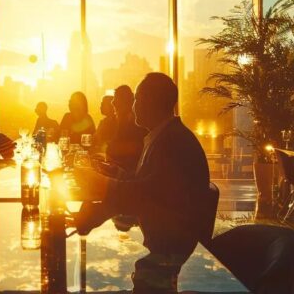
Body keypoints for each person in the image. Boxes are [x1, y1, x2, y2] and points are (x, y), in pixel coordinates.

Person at [74, 73, 213, 292]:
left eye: (137, 99)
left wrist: (101, 185)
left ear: (151, 101)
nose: (133, 106)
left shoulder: (173, 142)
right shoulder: (163, 135)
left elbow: (147, 194)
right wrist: (116, 174)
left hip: (171, 253)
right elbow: (151, 187)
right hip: (165, 245)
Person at [104, 85, 148, 176]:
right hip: (120, 169)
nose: (112, 102)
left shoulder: (133, 123)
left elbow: (134, 148)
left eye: (116, 99)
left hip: (128, 174)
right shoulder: (122, 120)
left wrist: (111, 148)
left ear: (123, 102)